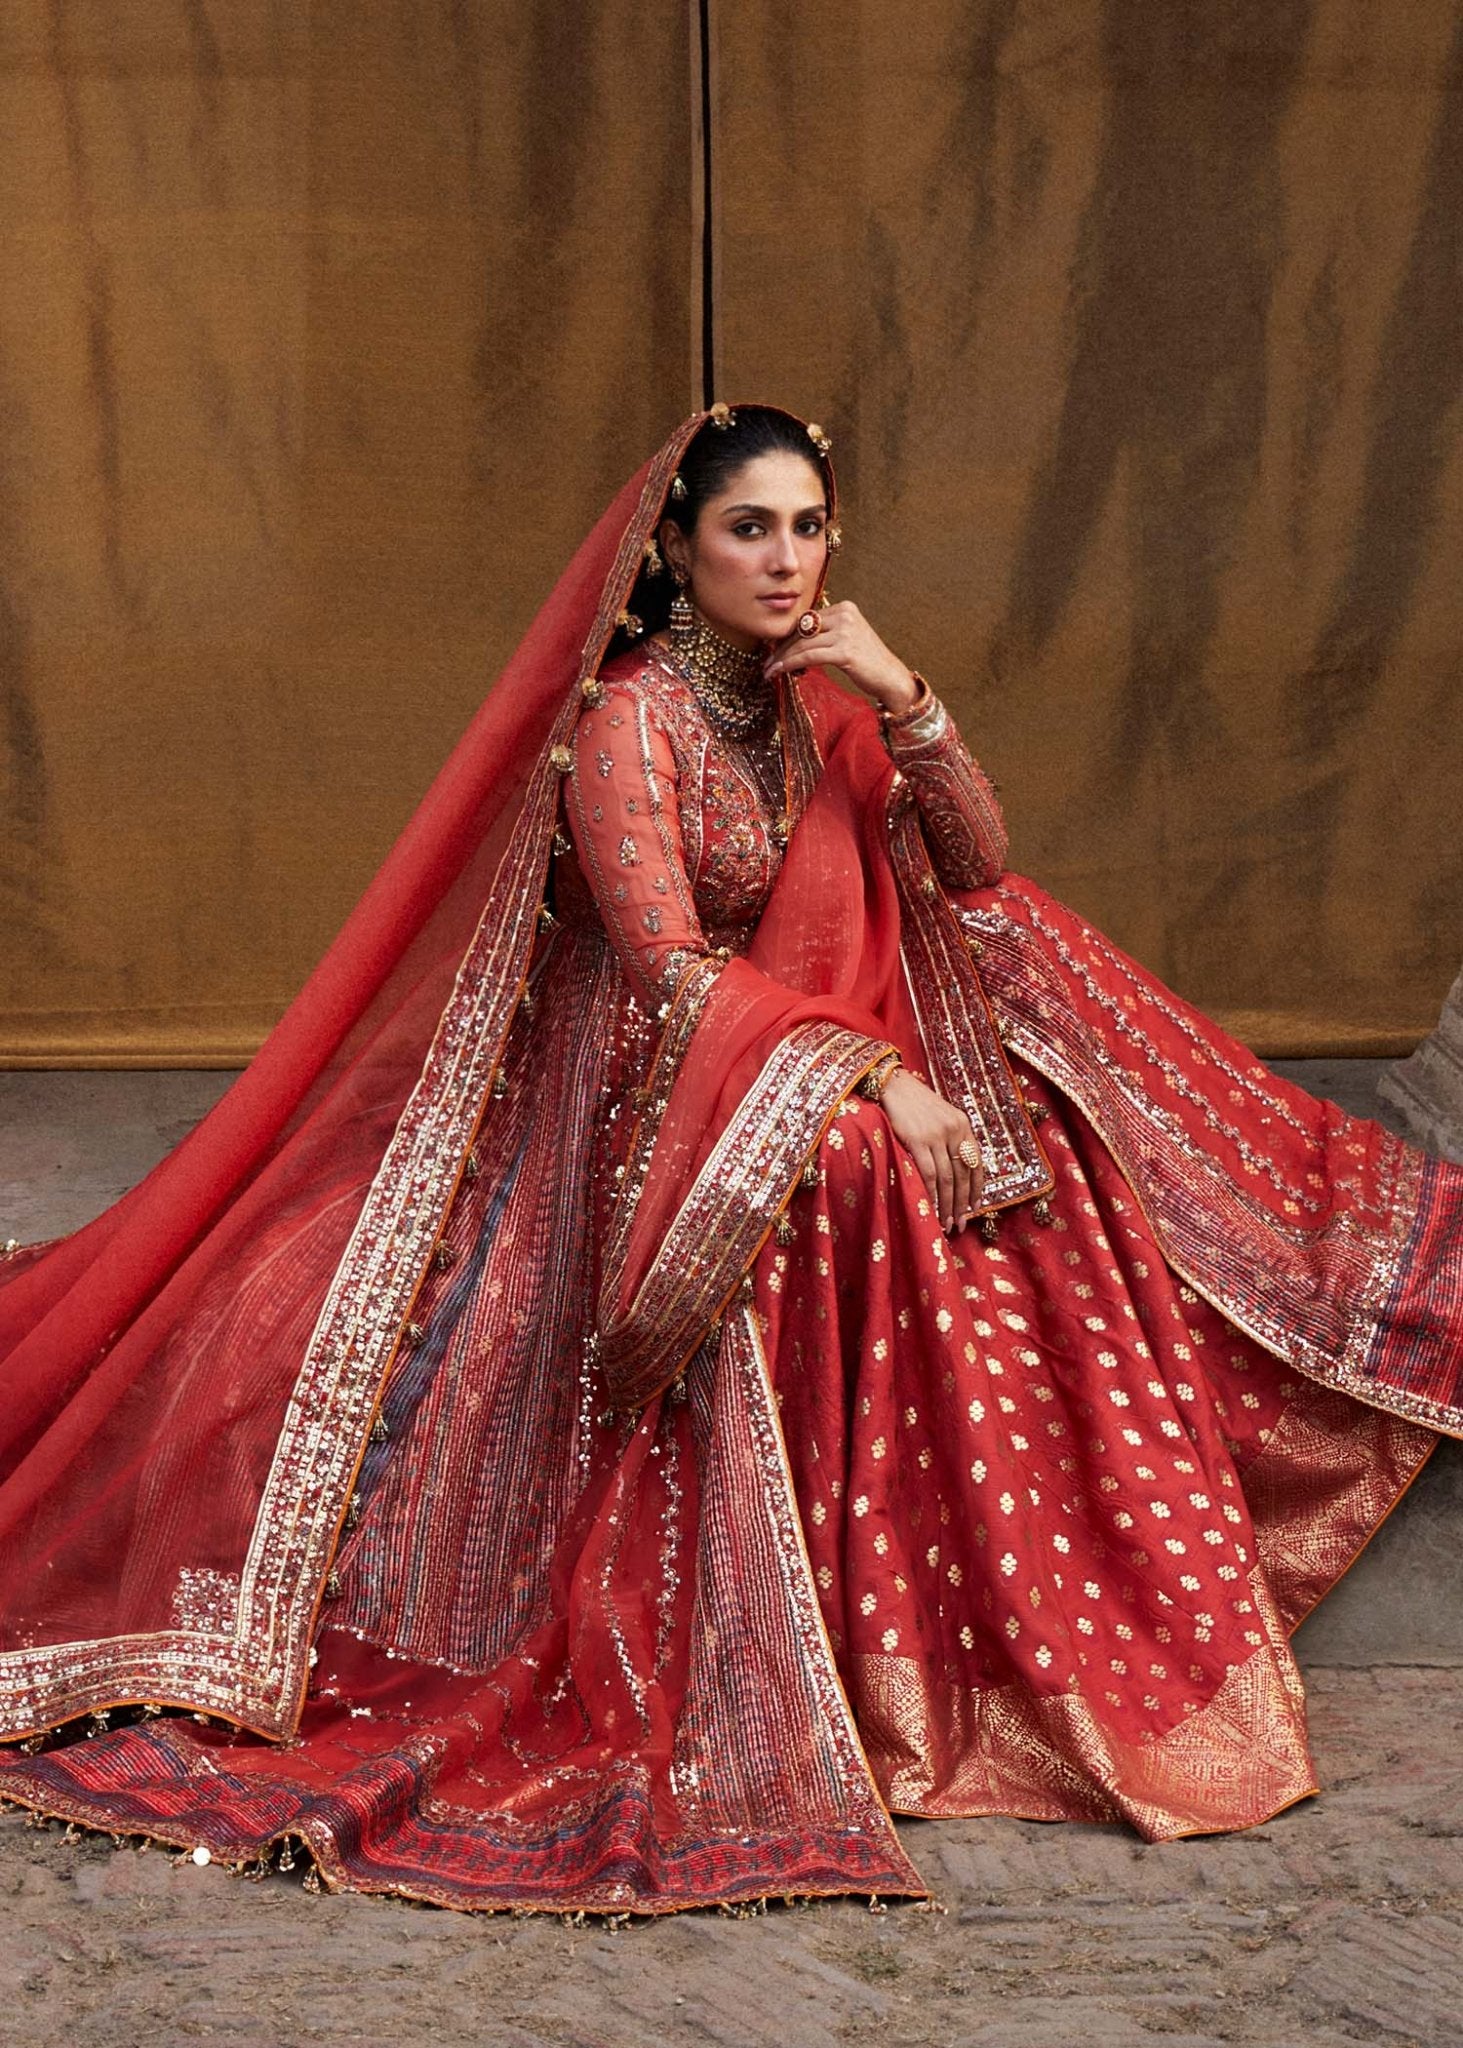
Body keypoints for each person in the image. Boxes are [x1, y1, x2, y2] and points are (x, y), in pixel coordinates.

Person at [0, 404, 1458, 1917]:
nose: (782, 557)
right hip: (632, 1068)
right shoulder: (632, 720)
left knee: (1042, 1103)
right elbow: (664, 970)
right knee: (850, 1166)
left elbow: (973, 868)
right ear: (678, 549)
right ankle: (866, 1622)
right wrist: (881, 1077)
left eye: (808, 527)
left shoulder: (812, 700)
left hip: (786, 1031)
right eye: (748, 527)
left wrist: (902, 695)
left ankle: (997, 1604)